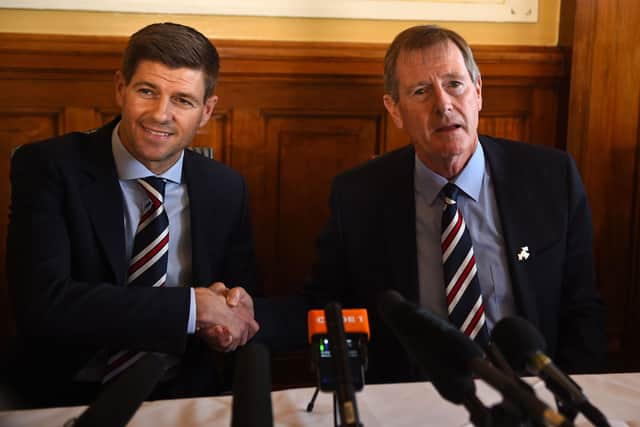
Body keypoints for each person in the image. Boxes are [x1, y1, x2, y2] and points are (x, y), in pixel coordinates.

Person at [306, 25, 606, 384]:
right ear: (395, 110)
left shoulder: (551, 179)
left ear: (478, 92)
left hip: (530, 396)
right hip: (414, 404)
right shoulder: (358, 196)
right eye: (421, 91)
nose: (443, 104)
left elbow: (583, 312)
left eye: (454, 84)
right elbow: (324, 308)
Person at [6, 22, 261, 407]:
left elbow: (238, 296)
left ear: (207, 110)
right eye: (147, 91)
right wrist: (193, 308)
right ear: (120, 88)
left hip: (184, 392)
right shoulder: (48, 167)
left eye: (183, 101)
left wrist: (230, 313)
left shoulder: (225, 188)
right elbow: (43, 305)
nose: (161, 115)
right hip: (70, 392)